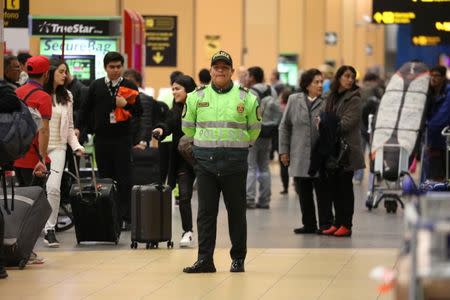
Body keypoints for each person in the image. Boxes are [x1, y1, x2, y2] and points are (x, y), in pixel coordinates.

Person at [182, 50, 260, 273]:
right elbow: (187, 128)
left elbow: (254, 130)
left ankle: (238, 260)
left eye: (225, 67)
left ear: (232, 71)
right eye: (217, 67)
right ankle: (205, 260)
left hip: (235, 164)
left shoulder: (247, 98)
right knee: (205, 215)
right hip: (205, 164)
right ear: (211, 71)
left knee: (237, 213)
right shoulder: (196, 97)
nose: (220, 70)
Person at [78, 51, 142, 229]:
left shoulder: (130, 85)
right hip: (102, 139)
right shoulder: (96, 86)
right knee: (105, 178)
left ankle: (126, 217)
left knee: (124, 178)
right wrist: (78, 128)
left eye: (118, 67)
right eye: (111, 67)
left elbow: (139, 111)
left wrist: (126, 105)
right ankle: (108, 215)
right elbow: (85, 109)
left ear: (122, 67)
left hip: (122, 139)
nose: (115, 70)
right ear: (105, 67)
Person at [279, 69, 334, 234]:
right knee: (303, 192)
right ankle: (309, 224)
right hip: (299, 154)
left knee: (323, 192)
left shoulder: (327, 101)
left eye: (321, 82)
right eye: (316, 82)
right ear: (307, 84)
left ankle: (325, 224)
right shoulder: (294, 100)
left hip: (321, 155)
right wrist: (284, 151)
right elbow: (285, 126)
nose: (320, 85)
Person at [42, 58, 85, 247]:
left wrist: (76, 146)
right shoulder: (39, 93)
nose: (64, 75)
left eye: (65, 72)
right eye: (61, 71)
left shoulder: (67, 96)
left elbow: (69, 128)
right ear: (50, 72)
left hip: (58, 147)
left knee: (53, 188)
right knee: (35, 190)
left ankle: (49, 229)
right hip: (36, 148)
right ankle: (30, 227)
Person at [319, 65, 365, 237]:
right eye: (346, 76)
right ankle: (337, 223)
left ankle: (346, 224)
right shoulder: (330, 96)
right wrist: (326, 123)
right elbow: (321, 117)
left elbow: (346, 123)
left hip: (346, 151)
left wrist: (326, 124)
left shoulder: (355, 98)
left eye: (352, 77)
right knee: (334, 188)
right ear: (338, 78)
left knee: (345, 188)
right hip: (331, 149)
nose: (350, 79)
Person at [153, 75, 197, 247]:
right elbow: (168, 124)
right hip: (183, 159)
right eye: (173, 89)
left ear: (188, 90)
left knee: (210, 198)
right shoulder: (176, 109)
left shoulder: (201, 109)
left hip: (204, 157)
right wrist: (160, 129)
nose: (174, 92)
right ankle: (188, 231)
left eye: (177, 88)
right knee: (184, 195)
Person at [245, 66, 280, 209]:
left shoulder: (250, 92)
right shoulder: (272, 90)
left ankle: (249, 199)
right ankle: (265, 200)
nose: (246, 78)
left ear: (252, 77)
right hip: (268, 133)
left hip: (253, 134)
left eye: (247, 75)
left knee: (251, 167)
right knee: (264, 167)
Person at [14, 55, 52, 187]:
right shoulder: (43, 97)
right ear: (46, 74)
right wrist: (42, 158)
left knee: (21, 201)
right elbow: (44, 131)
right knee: (37, 201)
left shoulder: (16, 92)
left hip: (17, 157)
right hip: (34, 160)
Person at [423, 65, 450, 181]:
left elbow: (443, 116)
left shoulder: (448, 92)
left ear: (444, 77)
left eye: (437, 76)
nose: (433, 78)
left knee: (444, 175)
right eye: (431, 75)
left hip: (445, 139)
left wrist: (428, 125)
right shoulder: (428, 93)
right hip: (432, 142)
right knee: (434, 176)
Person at [278, 88, 292, 194]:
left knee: (284, 166)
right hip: (294, 139)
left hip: (282, 139)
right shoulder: (293, 109)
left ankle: (285, 187)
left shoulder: (280, 108)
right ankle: (297, 186)